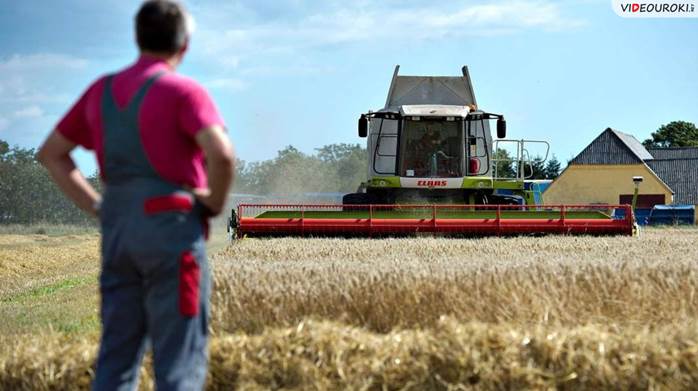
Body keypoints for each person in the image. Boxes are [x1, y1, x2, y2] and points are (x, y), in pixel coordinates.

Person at [37, 1, 234, 389]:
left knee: (117, 357)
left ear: (137, 38)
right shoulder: (184, 92)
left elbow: (51, 154)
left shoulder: (101, 90)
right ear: (185, 45)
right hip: (171, 230)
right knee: (178, 360)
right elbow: (222, 154)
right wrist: (212, 203)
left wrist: (98, 207)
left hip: (119, 231)